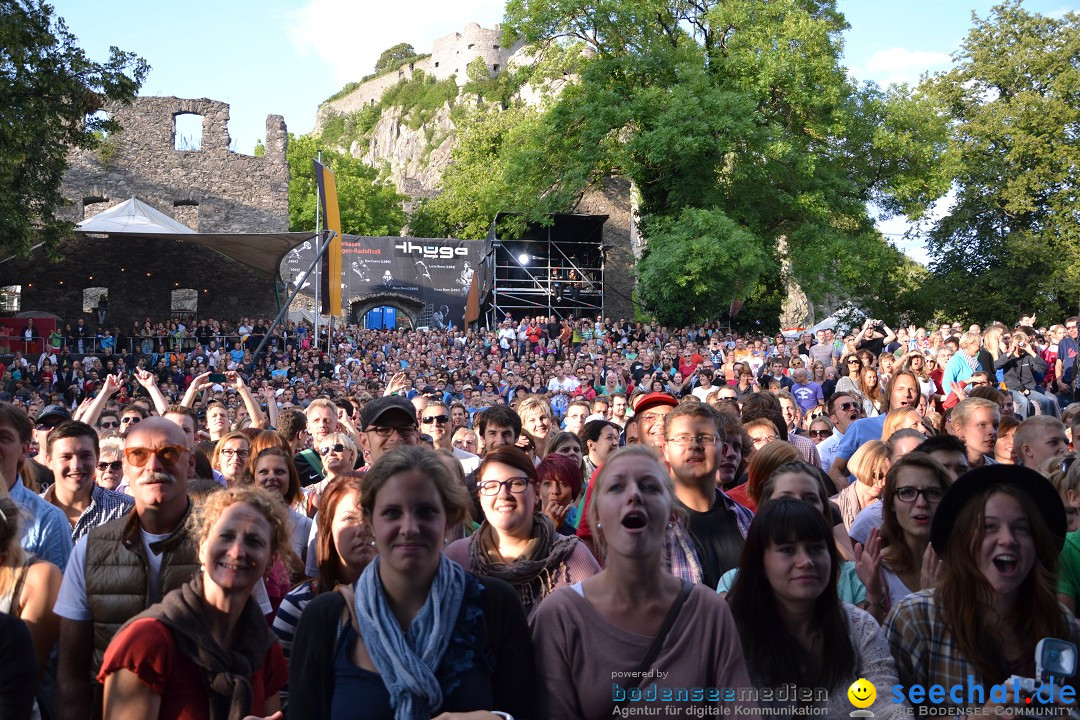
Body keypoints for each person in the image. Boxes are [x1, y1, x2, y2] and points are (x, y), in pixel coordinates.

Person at [288, 446, 537, 719]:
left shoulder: (495, 604)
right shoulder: (326, 618)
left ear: (449, 518)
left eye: (426, 512)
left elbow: (527, 709)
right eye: (392, 513)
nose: (409, 528)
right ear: (370, 521)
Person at [531, 447, 755, 718]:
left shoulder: (709, 612)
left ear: (673, 514)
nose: (634, 495)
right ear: (596, 516)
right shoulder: (559, 617)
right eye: (616, 487)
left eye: (649, 487)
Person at [885, 464, 1080, 715]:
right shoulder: (916, 621)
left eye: (1022, 528)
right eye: (989, 527)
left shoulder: (1063, 626)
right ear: (963, 541)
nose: (1008, 539)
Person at [98, 486, 289, 719]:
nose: (237, 551)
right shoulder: (145, 644)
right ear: (201, 549)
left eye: (254, 541)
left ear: (270, 562)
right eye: (226, 536)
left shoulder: (266, 649)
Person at [728, 500, 905, 717]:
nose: (806, 561)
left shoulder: (859, 627)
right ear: (760, 563)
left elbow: (886, 700)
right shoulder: (734, 634)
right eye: (787, 550)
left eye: (816, 548)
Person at [445, 446, 599, 619]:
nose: (503, 494)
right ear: (480, 496)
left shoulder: (573, 557)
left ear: (536, 492)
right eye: (491, 486)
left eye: (516, 483)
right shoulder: (457, 559)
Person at [853, 453, 953, 623]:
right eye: (907, 492)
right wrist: (874, 595)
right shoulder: (879, 568)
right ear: (891, 503)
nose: (921, 502)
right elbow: (871, 643)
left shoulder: (964, 562)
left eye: (933, 492)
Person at [834, 439, 890, 531]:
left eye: (888, 477)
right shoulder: (834, 506)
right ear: (862, 468)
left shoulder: (891, 507)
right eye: (877, 475)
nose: (882, 483)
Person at [536, 452, 583, 535]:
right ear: (538, 490)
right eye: (547, 484)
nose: (555, 491)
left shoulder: (576, 539)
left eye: (563, 484)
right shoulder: (524, 528)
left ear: (573, 491)